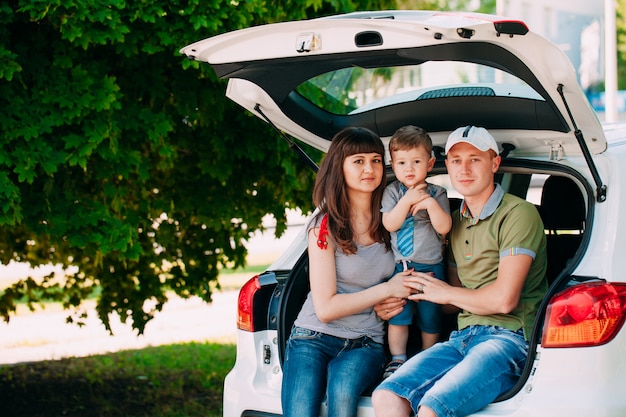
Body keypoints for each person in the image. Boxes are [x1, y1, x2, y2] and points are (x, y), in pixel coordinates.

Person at [372, 125, 548, 417]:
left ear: (494, 163)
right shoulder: (453, 222)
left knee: (433, 407)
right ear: (447, 166)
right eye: (456, 160)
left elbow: (504, 300)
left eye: (474, 159)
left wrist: (444, 292)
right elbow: (451, 303)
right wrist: (393, 301)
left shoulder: (518, 213)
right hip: (462, 337)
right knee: (387, 395)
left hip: (508, 338)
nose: (464, 168)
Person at [281, 126, 413, 417]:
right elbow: (326, 308)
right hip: (312, 336)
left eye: (376, 160)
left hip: (365, 342)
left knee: (342, 395)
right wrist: (385, 290)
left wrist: (395, 297)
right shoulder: (323, 226)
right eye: (358, 161)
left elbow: (415, 269)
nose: (370, 168)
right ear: (339, 168)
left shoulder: (393, 219)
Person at [380, 125, 452, 378]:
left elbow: (444, 227)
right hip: (402, 268)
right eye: (401, 162)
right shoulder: (391, 192)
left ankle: (426, 355)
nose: (408, 168)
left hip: (431, 267)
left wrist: (430, 204)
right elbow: (390, 224)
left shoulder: (438, 193)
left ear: (430, 163)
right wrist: (407, 201)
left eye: (416, 161)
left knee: (430, 316)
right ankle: (398, 359)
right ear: (393, 164)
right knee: (398, 314)